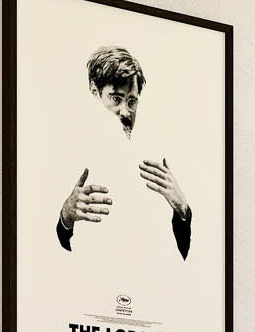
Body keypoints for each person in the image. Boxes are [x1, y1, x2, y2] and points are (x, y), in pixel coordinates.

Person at [56, 46, 191, 259]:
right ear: (94, 91)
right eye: (116, 99)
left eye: (132, 101)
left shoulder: (153, 156)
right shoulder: (67, 148)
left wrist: (182, 211)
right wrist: (66, 217)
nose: (126, 112)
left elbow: (179, 254)